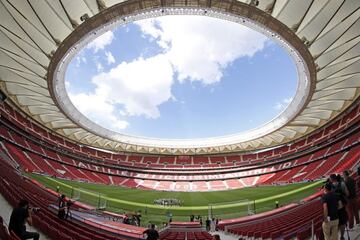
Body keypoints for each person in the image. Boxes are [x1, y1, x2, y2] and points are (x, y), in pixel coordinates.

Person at [330, 174, 349, 240]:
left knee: (335, 222)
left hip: (333, 207)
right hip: (342, 205)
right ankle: (342, 236)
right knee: (342, 222)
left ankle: (336, 237)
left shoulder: (329, 186)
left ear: (331, 179)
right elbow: (347, 193)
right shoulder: (342, 184)